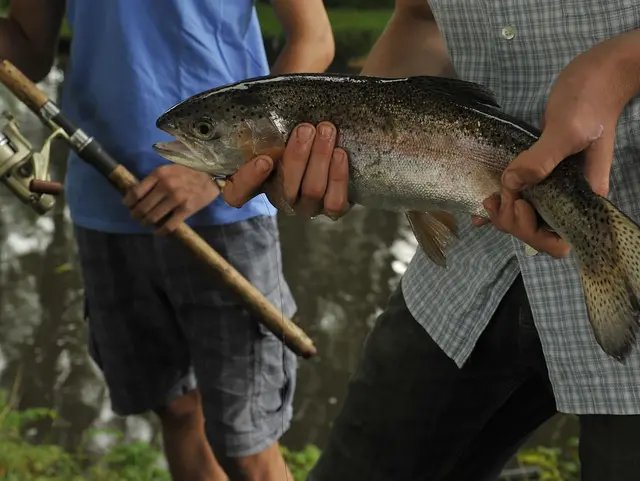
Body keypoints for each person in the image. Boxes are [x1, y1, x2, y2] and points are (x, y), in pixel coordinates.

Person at [222, 1, 640, 480]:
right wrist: (352, 143)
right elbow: (422, 18)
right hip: (469, 264)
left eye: (207, 132)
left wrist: (619, 67)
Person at [1, 1, 334, 480]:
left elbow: (314, 39)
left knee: (246, 445)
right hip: (106, 203)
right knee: (176, 410)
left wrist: (220, 170)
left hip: (227, 208)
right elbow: (28, 49)